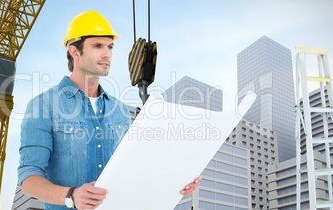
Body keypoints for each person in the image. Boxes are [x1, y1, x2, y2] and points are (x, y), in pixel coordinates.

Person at [17, 10, 200, 210]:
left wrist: (175, 180)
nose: (107, 54)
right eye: (97, 46)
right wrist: (71, 196)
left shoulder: (119, 110)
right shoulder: (43, 105)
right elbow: (29, 177)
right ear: (74, 51)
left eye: (110, 46)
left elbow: (134, 171)